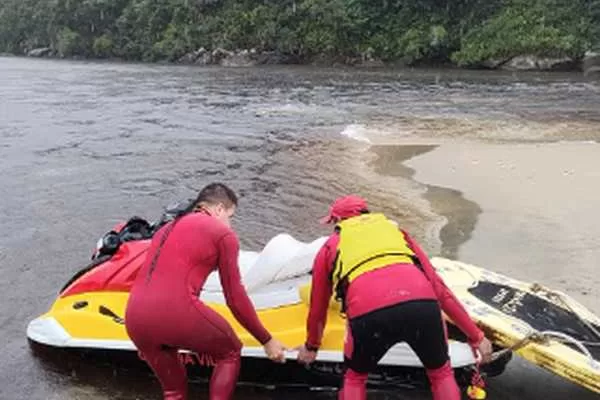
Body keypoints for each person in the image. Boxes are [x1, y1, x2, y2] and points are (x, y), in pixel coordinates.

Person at [295, 195, 493, 400]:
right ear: (366, 213)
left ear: (338, 221)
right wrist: (476, 336)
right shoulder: (397, 233)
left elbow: (318, 305)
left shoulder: (330, 246)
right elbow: (439, 289)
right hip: (422, 305)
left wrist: (312, 347)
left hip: (369, 313)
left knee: (355, 378)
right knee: (441, 373)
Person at [125, 183, 286, 400]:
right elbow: (235, 298)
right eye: (231, 216)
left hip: (135, 317)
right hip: (175, 312)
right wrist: (266, 340)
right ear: (219, 209)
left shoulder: (164, 230)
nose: (230, 225)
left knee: (174, 392)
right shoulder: (222, 234)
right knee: (229, 351)